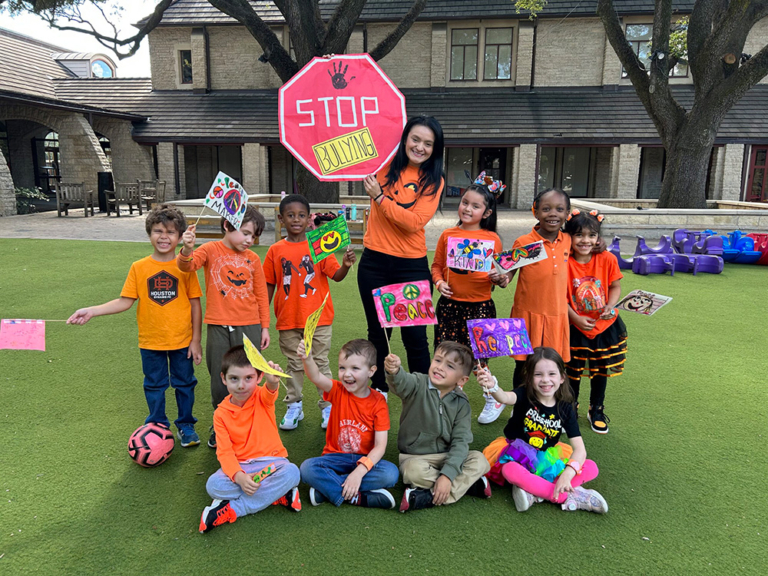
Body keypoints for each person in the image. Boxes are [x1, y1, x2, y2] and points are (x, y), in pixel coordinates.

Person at [68, 206, 203, 447]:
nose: (164, 236)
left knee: (185, 383)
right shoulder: (139, 267)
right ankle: (157, 424)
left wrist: (195, 341)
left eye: (171, 232)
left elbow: (195, 305)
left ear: (181, 235)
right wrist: (92, 310)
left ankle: (185, 425)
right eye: (158, 231)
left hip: (182, 341)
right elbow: (124, 301)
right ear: (149, 233)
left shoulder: (185, 266)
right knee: (154, 384)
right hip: (150, 342)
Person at [358, 116, 445, 397]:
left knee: (416, 338)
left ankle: (422, 392)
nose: (420, 147)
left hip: (410, 265)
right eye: (415, 139)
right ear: (404, 138)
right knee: (379, 333)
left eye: (428, 144)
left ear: (435, 149)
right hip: (374, 263)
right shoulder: (380, 167)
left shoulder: (434, 180)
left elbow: (414, 222)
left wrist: (380, 197)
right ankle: (379, 388)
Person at [178, 207, 270, 449]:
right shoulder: (210, 249)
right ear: (228, 226)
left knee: (250, 375)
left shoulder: (253, 258)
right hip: (218, 324)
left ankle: (249, 422)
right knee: (220, 379)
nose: (250, 240)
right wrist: (187, 248)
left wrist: (265, 327)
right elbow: (187, 266)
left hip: (250, 324)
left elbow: (261, 295)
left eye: (254, 236)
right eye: (247, 233)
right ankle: (221, 423)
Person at [263, 194, 356, 431]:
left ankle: (327, 407)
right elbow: (269, 284)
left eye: (301, 215)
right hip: (288, 320)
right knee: (294, 365)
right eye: (290, 215)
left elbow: (335, 276)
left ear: (309, 218)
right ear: (281, 219)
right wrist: (262, 313)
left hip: (319, 320)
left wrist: (344, 265)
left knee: (320, 362)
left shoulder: (319, 245)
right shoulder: (275, 250)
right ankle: (294, 405)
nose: (296, 219)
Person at [478, 347, 608, 514]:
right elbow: (505, 397)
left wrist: (567, 475)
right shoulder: (525, 393)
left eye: (552, 374)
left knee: (591, 467)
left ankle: (535, 493)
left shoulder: (566, 407)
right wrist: (493, 386)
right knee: (509, 470)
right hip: (517, 453)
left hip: (547, 455)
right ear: (530, 378)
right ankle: (565, 496)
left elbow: (580, 450)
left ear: (562, 377)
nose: (545, 380)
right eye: (538, 374)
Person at [199, 345, 301, 533]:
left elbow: (270, 391)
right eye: (234, 379)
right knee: (213, 486)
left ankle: (233, 509)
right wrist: (239, 477)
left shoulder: (261, 396)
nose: (241, 385)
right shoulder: (220, 414)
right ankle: (276, 494)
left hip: (272, 464)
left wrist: (273, 381)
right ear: (224, 379)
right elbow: (225, 452)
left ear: (259, 377)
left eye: (249, 378)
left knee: (292, 472)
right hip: (241, 467)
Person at [431, 175, 507, 425]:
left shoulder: (492, 239)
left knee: (479, 356)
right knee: (448, 353)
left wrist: (499, 278)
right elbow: (437, 266)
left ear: (486, 212)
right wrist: (440, 283)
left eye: (476, 206)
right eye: (465, 202)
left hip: (481, 306)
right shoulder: (447, 234)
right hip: (450, 307)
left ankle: (492, 396)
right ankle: (453, 395)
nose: (468, 208)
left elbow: (501, 276)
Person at [384, 341, 491, 512]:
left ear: (462, 380)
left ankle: (426, 497)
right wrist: (394, 371)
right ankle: (467, 485)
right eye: (438, 360)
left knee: (480, 460)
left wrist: (447, 475)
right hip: (415, 458)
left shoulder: (461, 402)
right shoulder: (417, 383)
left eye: (449, 366)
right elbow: (401, 382)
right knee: (412, 472)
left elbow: (461, 441)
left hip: (446, 456)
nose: (440, 367)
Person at [298, 339, 399, 509]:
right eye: (342, 368)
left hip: (365, 459)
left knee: (390, 473)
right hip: (334, 458)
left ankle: (328, 489)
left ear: (371, 371)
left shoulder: (379, 402)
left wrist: (359, 472)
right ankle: (358, 497)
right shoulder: (337, 390)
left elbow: (380, 447)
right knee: (307, 468)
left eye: (355, 368)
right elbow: (315, 376)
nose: (346, 374)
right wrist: (306, 358)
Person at [498, 188, 573, 393]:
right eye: (546, 209)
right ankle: (519, 403)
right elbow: (509, 272)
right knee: (523, 365)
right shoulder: (524, 242)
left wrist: (599, 243)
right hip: (526, 314)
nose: (553, 214)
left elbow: (588, 243)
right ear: (536, 212)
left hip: (556, 316)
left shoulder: (568, 240)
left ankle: (549, 403)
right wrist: (503, 279)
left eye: (559, 209)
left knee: (552, 364)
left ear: (567, 214)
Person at [564, 209, 627, 434]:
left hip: (604, 327)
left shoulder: (607, 259)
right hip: (575, 325)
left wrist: (610, 306)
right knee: (573, 370)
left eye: (592, 235)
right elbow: (557, 296)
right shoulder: (564, 261)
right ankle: (570, 406)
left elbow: (615, 286)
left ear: (598, 237)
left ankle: (596, 408)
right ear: (568, 236)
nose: (585, 240)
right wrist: (576, 318)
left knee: (601, 369)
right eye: (579, 235)